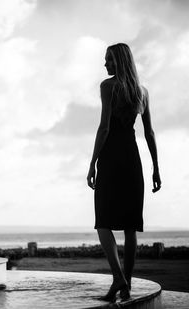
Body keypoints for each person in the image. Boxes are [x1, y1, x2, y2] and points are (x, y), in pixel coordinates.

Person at [87, 43, 161, 302]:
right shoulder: (142, 91)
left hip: (110, 158)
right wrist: (156, 168)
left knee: (103, 221)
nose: (105, 64)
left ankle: (118, 277)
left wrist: (92, 163)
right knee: (131, 226)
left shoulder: (107, 87)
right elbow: (149, 132)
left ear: (119, 61)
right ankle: (126, 286)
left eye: (108, 59)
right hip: (132, 159)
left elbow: (104, 128)